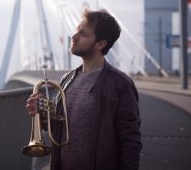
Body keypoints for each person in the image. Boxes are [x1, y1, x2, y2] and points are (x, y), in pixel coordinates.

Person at [26, 9, 142, 170]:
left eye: (83, 34)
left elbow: (131, 141)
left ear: (100, 44)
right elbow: (61, 128)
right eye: (76, 31)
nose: (74, 37)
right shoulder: (66, 80)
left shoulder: (120, 84)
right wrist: (42, 115)